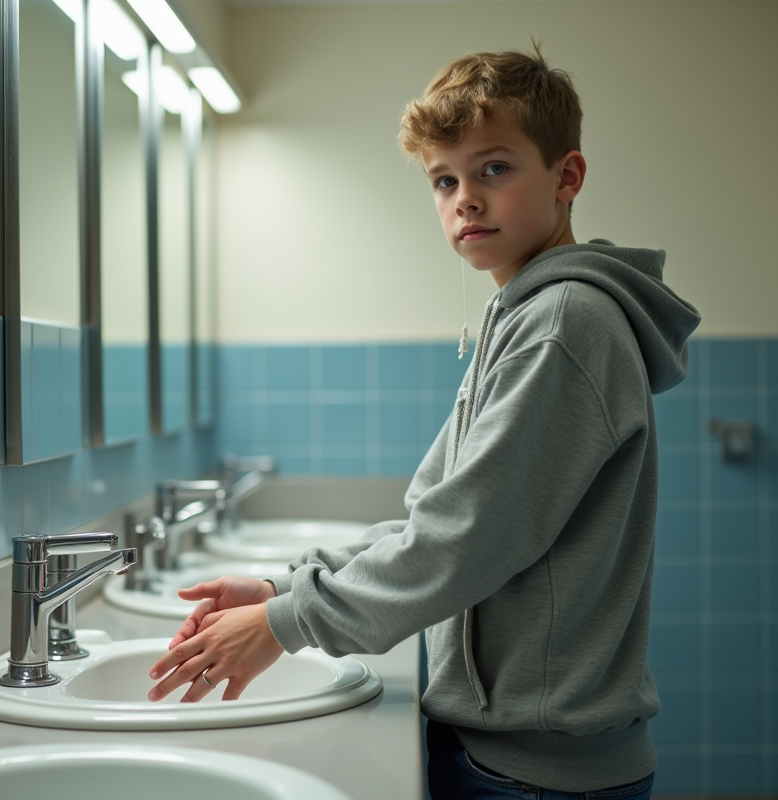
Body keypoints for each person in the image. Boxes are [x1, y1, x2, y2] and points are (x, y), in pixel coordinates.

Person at [146, 48, 701, 799]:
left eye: (494, 169)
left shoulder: (565, 323)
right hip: (512, 753)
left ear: (566, 177)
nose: (465, 199)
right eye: (445, 180)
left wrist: (287, 621)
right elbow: (430, 517)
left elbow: (465, 538)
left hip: (537, 776)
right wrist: (284, 587)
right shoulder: (523, 314)